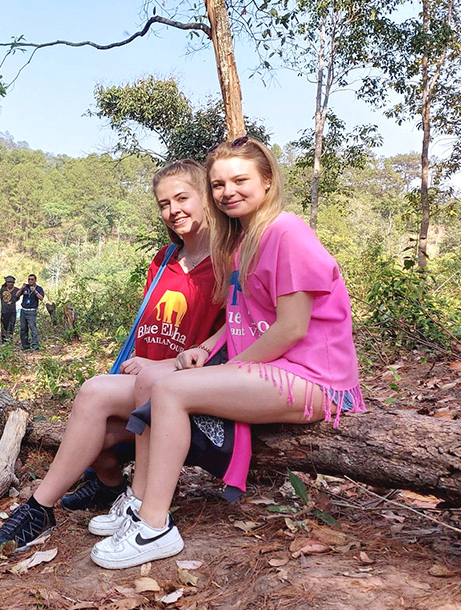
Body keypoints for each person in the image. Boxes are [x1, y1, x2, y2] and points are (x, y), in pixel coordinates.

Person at [89, 137, 365, 570]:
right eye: (218, 184)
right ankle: (139, 500)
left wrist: (229, 369)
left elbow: (292, 327)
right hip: (274, 370)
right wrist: (207, 348)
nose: (227, 192)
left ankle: (154, 525)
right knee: (158, 381)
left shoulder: (286, 232)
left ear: (268, 180)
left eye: (240, 180)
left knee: (173, 390)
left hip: (313, 379)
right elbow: (241, 315)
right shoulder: (242, 241)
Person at [0, 160, 224, 554]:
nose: (173, 210)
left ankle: (39, 508)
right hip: (141, 382)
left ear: (207, 198)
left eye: (183, 198)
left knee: (93, 396)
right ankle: (111, 488)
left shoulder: (228, 260)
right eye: (164, 204)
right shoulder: (163, 260)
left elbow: (234, 332)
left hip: (182, 382)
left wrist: (167, 364)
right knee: (88, 429)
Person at [17, 275, 45, 350]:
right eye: (29, 279)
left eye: (32, 279)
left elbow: (41, 298)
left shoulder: (39, 288)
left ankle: (35, 345)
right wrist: (21, 288)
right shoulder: (25, 287)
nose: (30, 281)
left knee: (33, 328)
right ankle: (25, 345)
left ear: (35, 280)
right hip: (24, 310)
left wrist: (35, 291)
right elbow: (17, 295)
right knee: (23, 329)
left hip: (32, 311)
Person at [0, 276, 21, 343]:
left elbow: (17, 297)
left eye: (11, 282)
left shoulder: (17, 290)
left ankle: (9, 340)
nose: (9, 284)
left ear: (13, 283)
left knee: (11, 326)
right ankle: (3, 341)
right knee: (4, 327)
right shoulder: (3, 289)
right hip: (4, 311)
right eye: (8, 282)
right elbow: (1, 298)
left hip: (12, 311)